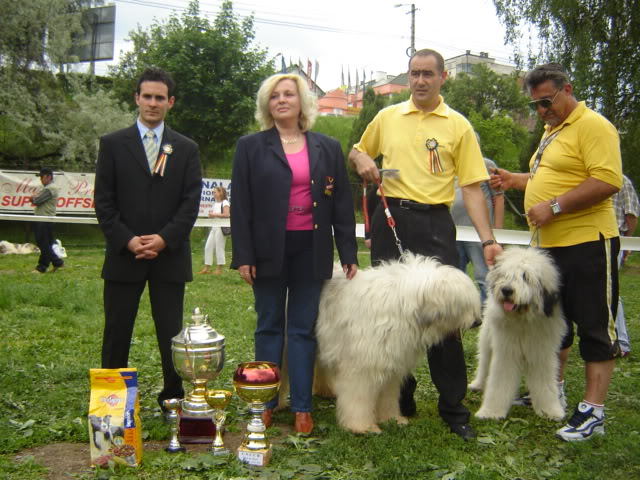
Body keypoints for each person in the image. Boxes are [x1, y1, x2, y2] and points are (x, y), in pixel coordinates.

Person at [349, 48, 502, 440]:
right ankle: (400, 399)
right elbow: (358, 150)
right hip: (390, 220)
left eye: (428, 74)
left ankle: (453, 409)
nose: (420, 81)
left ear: (442, 78)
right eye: (414, 74)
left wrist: (487, 239)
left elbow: (471, 187)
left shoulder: (458, 126)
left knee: (445, 319)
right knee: (390, 316)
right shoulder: (387, 117)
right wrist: (362, 160)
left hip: (435, 223)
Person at [491, 63, 622, 441]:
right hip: (551, 249)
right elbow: (554, 176)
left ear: (569, 88)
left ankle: (592, 411)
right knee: (554, 322)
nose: (541, 111)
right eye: (535, 105)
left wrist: (555, 207)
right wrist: (517, 181)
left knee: (594, 326)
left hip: (588, 243)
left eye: (546, 101)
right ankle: (551, 391)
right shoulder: (553, 130)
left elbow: (607, 179)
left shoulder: (593, 125)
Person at [231, 73, 358, 435]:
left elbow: (342, 204)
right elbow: (241, 206)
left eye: (289, 94)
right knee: (268, 326)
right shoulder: (250, 147)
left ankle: (302, 407)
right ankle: (266, 402)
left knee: (303, 329)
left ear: (302, 101)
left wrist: (347, 251)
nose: (282, 100)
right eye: (274, 96)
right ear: (266, 105)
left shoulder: (327, 147)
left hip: (311, 249)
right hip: (267, 251)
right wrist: (244, 255)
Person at [94, 68, 202, 411]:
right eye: (147, 96)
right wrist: (127, 240)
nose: (153, 103)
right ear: (136, 98)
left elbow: (190, 202)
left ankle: (172, 397)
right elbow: (104, 201)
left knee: (171, 333)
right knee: (117, 330)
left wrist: (164, 239)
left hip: (168, 256)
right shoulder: (112, 144)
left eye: (160, 98)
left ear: (170, 102)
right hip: (124, 255)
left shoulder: (185, 149)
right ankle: (113, 404)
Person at [451, 151, 504, 305]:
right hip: (455, 232)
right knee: (455, 275)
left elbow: (498, 197)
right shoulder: (452, 166)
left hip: (479, 234)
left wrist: (498, 233)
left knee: (484, 276)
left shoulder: (487, 164)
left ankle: (487, 311)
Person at [611, 174, 639, 357]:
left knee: (610, 290)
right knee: (607, 290)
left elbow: (631, 214)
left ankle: (621, 343)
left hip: (614, 238)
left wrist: (627, 242)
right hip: (590, 240)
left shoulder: (621, 181)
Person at [30, 167, 64, 273]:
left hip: (44, 219)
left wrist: (33, 198)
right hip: (44, 219)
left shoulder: (50, 188)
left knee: (42, 243)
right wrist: (34, 198)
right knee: (46, 244)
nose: (40, 179)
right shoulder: (47, 187)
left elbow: (37, 200)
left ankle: (52, 264)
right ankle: (46, 265)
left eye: (42, 176)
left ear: (49, 176)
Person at [198, 186, 230, 275]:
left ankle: (219, 269)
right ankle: (206, 268)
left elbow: (227, 214)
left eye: (215, 192)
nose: (213, 194)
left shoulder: (225, 202)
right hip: (214, 227)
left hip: (221, 227)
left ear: (221, 193)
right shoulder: (216, 203)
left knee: (219, 247)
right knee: (208, 247)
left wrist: (214, 214)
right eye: (213, 192)